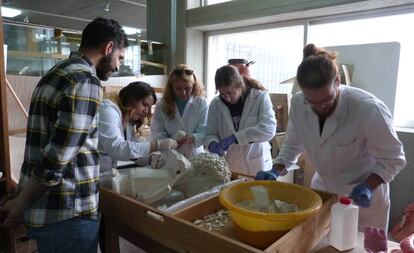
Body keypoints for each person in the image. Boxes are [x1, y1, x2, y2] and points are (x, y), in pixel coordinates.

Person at [0, 18, 128, 252]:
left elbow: (44, 147)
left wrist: (22, 197)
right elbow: (57, 156)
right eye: (119, 57)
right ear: (108, 48)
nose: (118, 66)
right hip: (69, 211)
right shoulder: (85, 81)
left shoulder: (55, 73)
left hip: (52, 209)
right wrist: (21, 202)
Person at [257, 44, 406, 231]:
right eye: (312, 102)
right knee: (325, 244)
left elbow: (393, 159)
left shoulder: (367, 109)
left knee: (368, 248)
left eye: (327, 100)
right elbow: (293, 146)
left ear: (337, 81)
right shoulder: (298, 103)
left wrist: (369, 185)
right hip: (325, 191)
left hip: (365, 200)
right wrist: (276, 169)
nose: (320, 108)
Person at [205, 65, 276, 176]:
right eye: (222, 94)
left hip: (256, 166)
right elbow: (211, 133)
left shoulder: (259, 97)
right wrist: (212, 143)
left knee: (256, 193)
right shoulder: (216, 104)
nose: (227, 98)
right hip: (230, 165)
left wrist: (236, 137)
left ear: (239, 86)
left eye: (230, 92)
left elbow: (269, 129)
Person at [98, 81, 177, 173]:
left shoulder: (129, 121)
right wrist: (156, 145)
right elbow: (116, 148)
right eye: (144, 104)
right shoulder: (108, 110)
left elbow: (132, 151)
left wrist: (151, 159)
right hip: (90, 171)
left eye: (149, 107)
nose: (146, 111)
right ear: (131, 99)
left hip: (105, 172)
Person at [151, 64, 208, 159]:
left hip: (194, 154)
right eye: (178, 88)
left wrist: (194, 138)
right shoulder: (162, 105)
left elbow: (205, 129)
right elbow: (157, 131)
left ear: (193, 86)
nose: (183, 93)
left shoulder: (201, 103)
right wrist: (169, 142)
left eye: (187, 88)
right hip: (170, 154)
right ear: (171, 87)